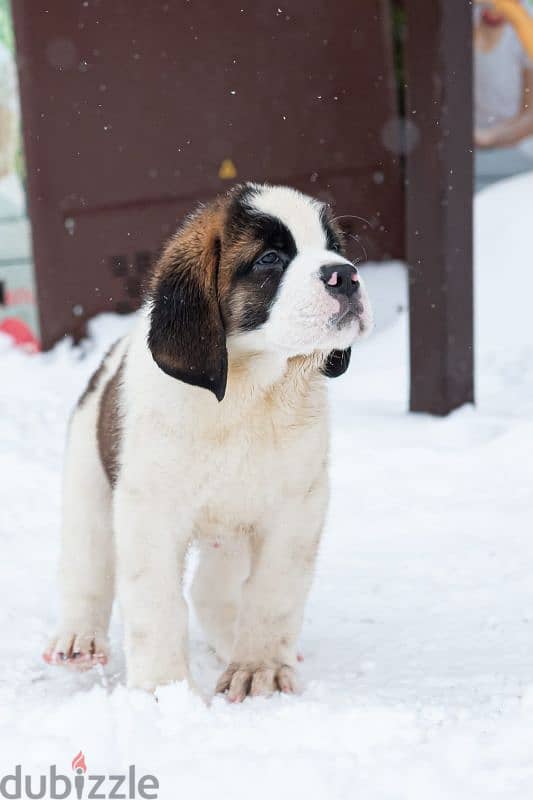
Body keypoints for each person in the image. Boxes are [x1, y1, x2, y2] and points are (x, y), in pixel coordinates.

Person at [474, 0, 533, 188]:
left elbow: (530, 114)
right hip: (468, 150)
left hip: (518, 150)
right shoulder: (465, 16)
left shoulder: (526, 22)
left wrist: (489, 137)